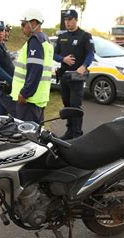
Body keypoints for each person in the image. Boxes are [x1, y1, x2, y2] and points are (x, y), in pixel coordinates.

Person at [54, 9, 94, 140]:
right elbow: (54, 55)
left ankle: (77, 134)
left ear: (76, 20)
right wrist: (63, 59)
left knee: (75, 106)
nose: (67, 22)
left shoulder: (85, 36)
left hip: (77, 76)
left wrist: (84, 66)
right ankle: (69, 131)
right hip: (64, 76)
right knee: (67, 105)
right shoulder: (62, 36)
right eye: (66, 19)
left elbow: (90, 54)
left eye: (70, 19)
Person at [10, 8, 54, 124]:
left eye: (23, 24)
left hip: (29, 101)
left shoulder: (35, 41)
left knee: (25, 138)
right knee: (36, 137)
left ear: (33, 23)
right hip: (39, 99)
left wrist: (25, 93)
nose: (21, 27)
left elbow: (35, 70)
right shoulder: (46, 41)